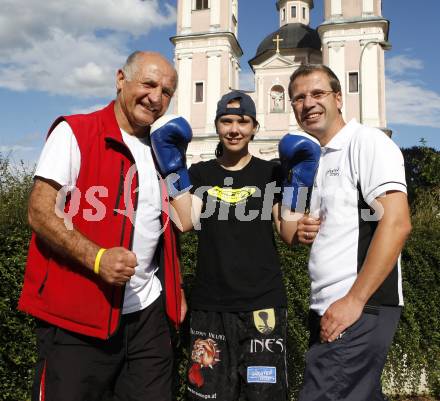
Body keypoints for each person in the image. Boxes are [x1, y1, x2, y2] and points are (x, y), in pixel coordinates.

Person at [18, 51, 193, 401]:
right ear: (120, 79)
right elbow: (39, 212)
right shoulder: (75, 132)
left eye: (167, 91)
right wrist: (97, 258)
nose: (156, 98)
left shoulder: (160, 149)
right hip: (78, 319)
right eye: (148, 83)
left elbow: (184, 222)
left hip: (147, 318)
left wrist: (176, 290)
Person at [279, 64, 412, 401]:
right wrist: (299, 229)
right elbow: (287, 231)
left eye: (317, 93)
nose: (308, 103)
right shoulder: (313, 158)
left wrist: (354, 300)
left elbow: (397, 223)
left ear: (338, 98)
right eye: (298, 98)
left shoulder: (367, 142)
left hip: (358, 305)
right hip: (329, 305)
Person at [184, 91, 299, 401]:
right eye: (227, 121)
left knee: (264, 395)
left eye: (242, 122)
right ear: (218, 125)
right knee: (206, 396)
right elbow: (183, 221)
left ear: (254, 127)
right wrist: (172, 172)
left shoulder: (270, 173)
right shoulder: (200, 173)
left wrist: (298, 184)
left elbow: (289, 232)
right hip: (211, 306)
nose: (234, 129)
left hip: (263, 307)